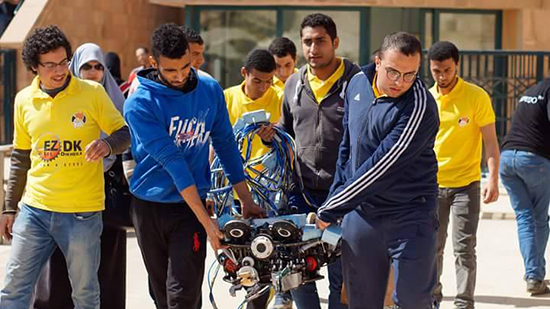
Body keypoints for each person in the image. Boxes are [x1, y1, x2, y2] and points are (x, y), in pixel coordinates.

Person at [123, 23, 264, 309]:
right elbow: (173, 162)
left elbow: (225, 143)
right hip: (149, 206)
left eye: (185, 67)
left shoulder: (210, 89)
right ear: (153, 63)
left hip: (190, 207)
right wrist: (209, 224)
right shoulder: (139, 103)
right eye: (170, 70)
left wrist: (245, 199)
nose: (179, 76)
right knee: (162, 295)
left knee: (182, 294)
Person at [0, 25, 130, 309]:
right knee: (12, 290)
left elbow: (124, 134)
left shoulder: (92, 93)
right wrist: (9, 207)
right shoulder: (23, 100)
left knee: (84, 294)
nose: (59, 70)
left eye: (63, 62)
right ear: (34, 66)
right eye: (49, 65)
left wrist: (107, 145)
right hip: (34, 210)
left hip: (82, 214)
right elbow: (21, 156)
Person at [316, 32, 440, 309]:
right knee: (360, 301)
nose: (401, 82)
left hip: (410, 215)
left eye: (410, 75)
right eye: (393, 72)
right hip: (362, 215)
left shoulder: (420, 107)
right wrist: (336, 200)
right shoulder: (357, 84)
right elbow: (346, 150)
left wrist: (331, 209)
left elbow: (382, 166)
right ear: (378, 61)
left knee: (412, 300)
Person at [260, 13, 359, 309]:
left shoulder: (356, 82)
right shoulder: (293, 84)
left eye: (320, 41)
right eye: (307, 42)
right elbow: (288, 128)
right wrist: (271, 134)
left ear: (335, 42)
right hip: (301, 195)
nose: (313, 49)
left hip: (344, 196)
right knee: (298, 273)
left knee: (342, 277)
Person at [32, 42, 131, 309]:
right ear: (76, 67)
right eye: (86, 66)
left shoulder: (116, 100)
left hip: (104, 199)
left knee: (105, 267)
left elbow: (128, 142)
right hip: (65, 196)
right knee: (59, 266)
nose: (93, 71)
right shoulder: (65, 100)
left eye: (98, 67)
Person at [427, 41, 500, 309]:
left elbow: (490, 141)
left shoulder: (476, 96)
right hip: (432, 186)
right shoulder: (426, 98)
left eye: (447, 70)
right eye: (436, 71)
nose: (442, 76)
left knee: (464, 248)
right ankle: (432, 298)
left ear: (457, 65)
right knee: (432, 248)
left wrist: (492, 178)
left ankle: (464, 302)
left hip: (465, 186)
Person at [499, 76, 550, 295]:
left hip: (507, 158)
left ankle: (533, 274)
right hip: (533, 160)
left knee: (524, 218)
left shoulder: (531, 91)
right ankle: (534, 276)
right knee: (539, 219)